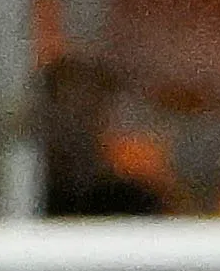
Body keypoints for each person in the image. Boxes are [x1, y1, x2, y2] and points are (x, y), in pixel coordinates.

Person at [36, 56, 169, 221]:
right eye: (65, 109)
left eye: (86, 109)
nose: (75, 123)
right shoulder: (23, 197)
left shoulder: (133, 200)